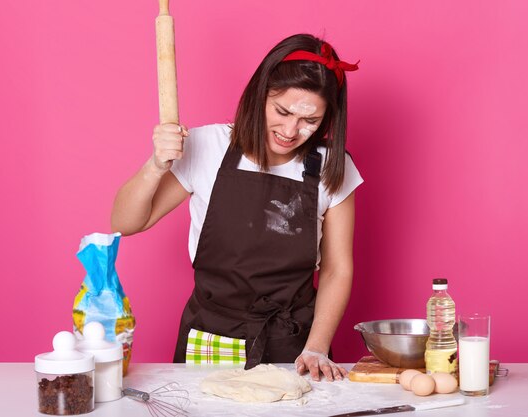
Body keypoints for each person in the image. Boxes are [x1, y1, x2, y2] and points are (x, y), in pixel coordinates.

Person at [111, 33, 362, 382]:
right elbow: (125, 222)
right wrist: (155, 165)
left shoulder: (332, 166)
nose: (291, 130)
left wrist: (317, 346)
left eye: (310, 121)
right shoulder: (207, 146)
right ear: (261, 95)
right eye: (282, 111)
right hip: (211, 336)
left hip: (295, 344)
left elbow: (337, 270)